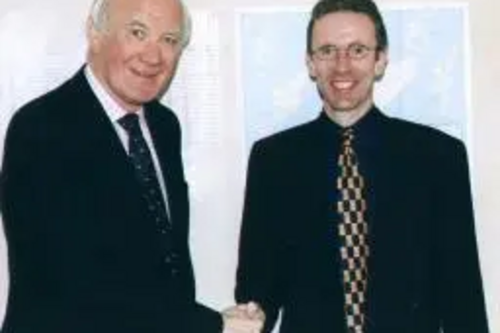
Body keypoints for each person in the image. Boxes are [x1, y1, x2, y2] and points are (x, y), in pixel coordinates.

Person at [0, 0, 263, 332]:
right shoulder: (41, 129)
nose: (153, 57)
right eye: (138, 32)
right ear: (95, 34)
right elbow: (74, 281)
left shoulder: (164, 126)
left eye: (169, 40)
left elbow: (167, 265)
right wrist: (214, 326)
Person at [235, 0, 489, 332]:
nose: (342, 67)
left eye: (357, 50)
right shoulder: (273, 160)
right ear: (311, 63)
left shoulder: (438, 157)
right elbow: (257, 293)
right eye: (327, 51)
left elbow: (462, 296)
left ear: (380, 60)